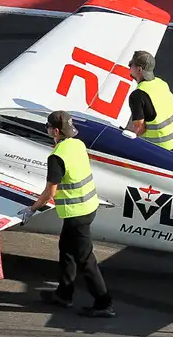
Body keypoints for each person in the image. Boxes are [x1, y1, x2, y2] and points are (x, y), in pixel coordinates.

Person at [19, 111, 115, 318]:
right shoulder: (77, 144)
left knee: (85, 259)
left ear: (55, 131)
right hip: (88, 205)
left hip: (77, 213)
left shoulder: (57, 156)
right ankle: (64, 295)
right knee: (67, 250)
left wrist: (31, 209)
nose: (46, 129)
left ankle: (104, 304)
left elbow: (50, 192)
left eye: (47, 126)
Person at [126, 50, 173, 154]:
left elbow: (139, 128)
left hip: (160, 149)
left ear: (139, 69)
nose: (129, 66)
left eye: (131, 64)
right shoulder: (162, 83)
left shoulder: (138, 95)